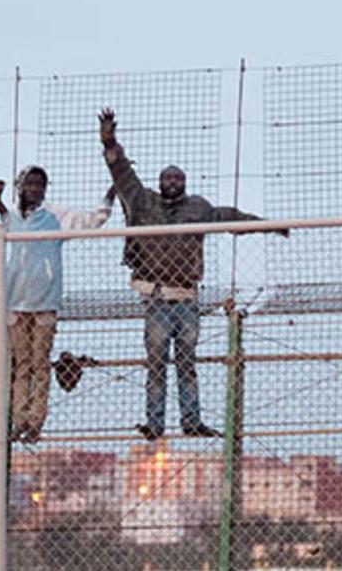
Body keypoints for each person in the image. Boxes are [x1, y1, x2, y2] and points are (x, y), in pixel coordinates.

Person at [100, 107, 285, 440]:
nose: (172, 183)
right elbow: (121, 172)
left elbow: (229, 218)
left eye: (178, 178)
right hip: (157, 298)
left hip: (187, 298)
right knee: (156, 364)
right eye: (168, 178)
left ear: (184, 183)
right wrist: (109, 139)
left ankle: (191, 421)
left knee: (187, 363)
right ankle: (155, 424)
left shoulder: (197, 208)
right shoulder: (144, 204)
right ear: (160, 182)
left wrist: (265, 225)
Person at [0, 166, 113, 443]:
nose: (35, 189)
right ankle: (19, 419)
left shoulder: (55, 216)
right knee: (21, 364)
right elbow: (5, 218)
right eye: (30, 184)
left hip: (44, 300)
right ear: (20, 186)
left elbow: (93, 220)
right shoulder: (12, 218)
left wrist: (111, 194)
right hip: (15, 302)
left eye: (40, 184)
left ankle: (35, 421)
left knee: (40, 363)